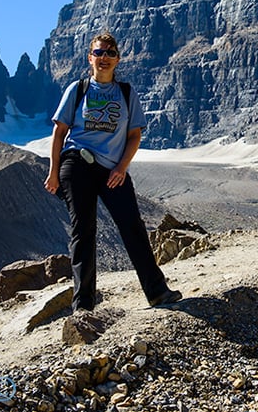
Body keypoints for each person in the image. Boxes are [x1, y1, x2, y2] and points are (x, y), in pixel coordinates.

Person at [44, 32, 181, 311]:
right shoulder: (78, 89)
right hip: (77, 163)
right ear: (89, 58)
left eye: (109, 53)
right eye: (98, 53)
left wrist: (122, 167)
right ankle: (83, 306)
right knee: (83, 230)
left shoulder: (127, 93)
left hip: (112, 170)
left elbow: (134, 135)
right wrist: (53, 171)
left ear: (118, 59)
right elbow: (59, 132)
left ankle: (157, 292)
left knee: (132, 226)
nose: (103, 58)